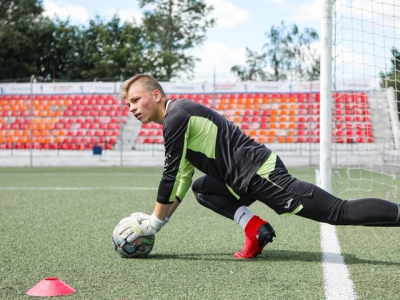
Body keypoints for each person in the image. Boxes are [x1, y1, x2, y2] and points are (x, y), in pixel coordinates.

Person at [118, 74, 400, 259]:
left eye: (135, 99)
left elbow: (169, 174)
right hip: (242, 179)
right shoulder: (176, 117)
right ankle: (256, 229)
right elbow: (181, 175)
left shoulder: (175, 117)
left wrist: (153, 222)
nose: (131, 107)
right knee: (203, 189)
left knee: (339, 211)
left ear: (155, 95)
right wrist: (162, 221)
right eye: (128, 103)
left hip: (261, 174)